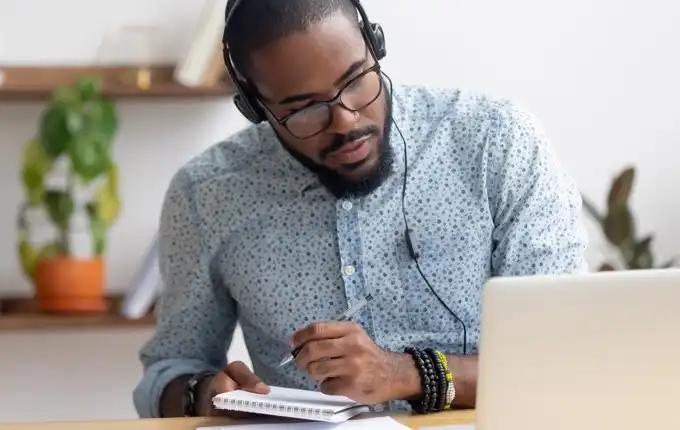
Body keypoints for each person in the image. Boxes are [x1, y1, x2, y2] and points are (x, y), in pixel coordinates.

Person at [133, 0, 588, 419]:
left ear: (376, 45)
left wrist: (405, 374)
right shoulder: (205, 193)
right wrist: (203, 392)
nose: (346, 120)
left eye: (355, 80)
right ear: (255, 108)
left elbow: (566, 356)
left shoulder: (496, 143)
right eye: (305, 109)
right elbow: (168, 372)